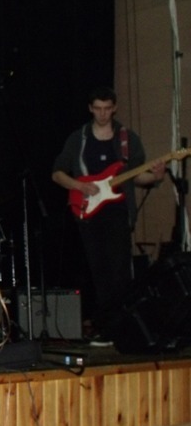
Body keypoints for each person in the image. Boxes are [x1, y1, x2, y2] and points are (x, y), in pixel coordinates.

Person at [52, 86, 165, 344]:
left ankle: (124, 328)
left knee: (119, 272)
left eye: (107, 109)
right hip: (88, 212)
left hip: (118, 211)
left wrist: (156, 176)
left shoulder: (127, 139)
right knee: (99, 272)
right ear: (90, 109)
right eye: (98, 109)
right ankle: (107, 329)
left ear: (114, 108)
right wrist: (79, 186)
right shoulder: (78, 138)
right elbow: (57, 173)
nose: (103, 114)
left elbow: (137, 176)